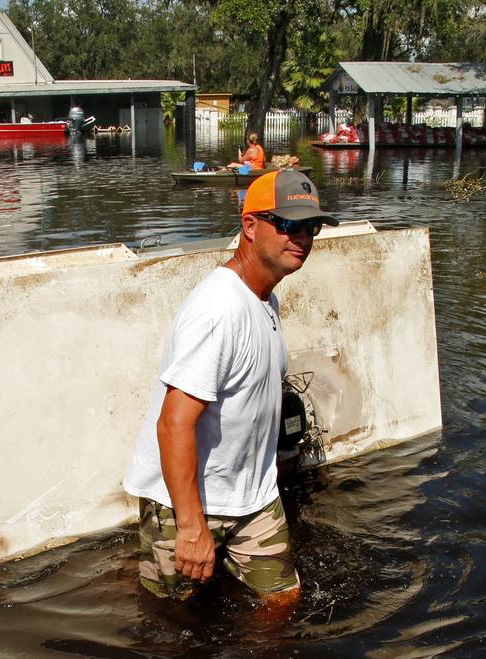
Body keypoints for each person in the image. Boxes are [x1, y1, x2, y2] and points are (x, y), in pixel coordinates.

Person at [122, 170, 338, 624]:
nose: (301, 237)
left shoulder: (264, 299)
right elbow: (174, 424)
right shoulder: (218, 309)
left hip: (252, 496)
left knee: (282, 603)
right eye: (288, 224)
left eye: (311, 227)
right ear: (250, 225)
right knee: (170, 619)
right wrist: (191, 527)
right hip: (185, 504)